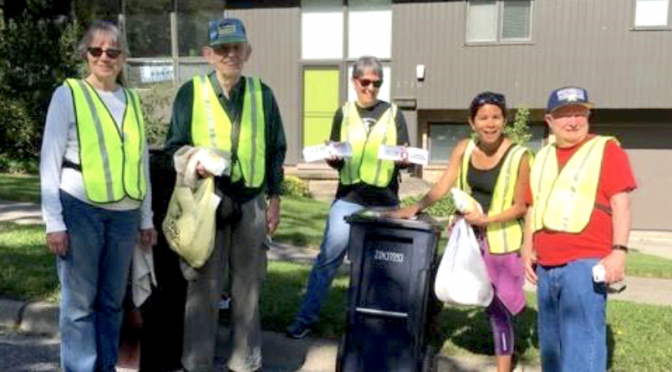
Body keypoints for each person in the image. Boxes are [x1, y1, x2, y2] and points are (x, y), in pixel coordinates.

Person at [163, 17, 286, 372]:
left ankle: (244, 361)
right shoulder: (191, 92)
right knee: (202, 287)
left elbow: (277, 149)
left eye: (236, 48)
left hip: (251, 204)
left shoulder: (263, 94)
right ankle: (196, 363)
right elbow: (175, 147)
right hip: (206, 202)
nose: (230, 55)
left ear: (248, 51)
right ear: (209, 54)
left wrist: (275, 199)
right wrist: (194, 164)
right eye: (222, 49)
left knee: (248, 290)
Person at [39, 20, 157, 372]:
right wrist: (54, 222)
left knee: (111, 303)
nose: (104, 56)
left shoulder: (133, 100)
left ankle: (106, 367)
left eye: (113, 51)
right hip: (80, 211)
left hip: (125, 215)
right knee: (78, 305)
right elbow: (50, 159)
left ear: (122, 58)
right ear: (85, 55)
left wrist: (146, 219)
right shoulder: (68, 94)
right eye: (96, 50)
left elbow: (142, 163)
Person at [391, 92, 531, 372]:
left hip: (501, 243)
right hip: (467, 238)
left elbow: (521, 206)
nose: (490, 124)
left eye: (496, 117)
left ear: (505, 120)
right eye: (483, 118)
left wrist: (486, 219)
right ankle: (425, 344)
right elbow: (444, 185)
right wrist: (415, 207)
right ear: (472, 122)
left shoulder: (520, 156)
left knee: (498, 308)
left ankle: (504, 366)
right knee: (437, 292)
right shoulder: (464, 148)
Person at [286, 56, 410, 339]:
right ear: (354, 82)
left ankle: (381, 325)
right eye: (365, 82)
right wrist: (332, 158)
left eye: (376, 83)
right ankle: (306, 319)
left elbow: (403, 158)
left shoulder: (394, 114)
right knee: (329, 258)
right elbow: (338, 158)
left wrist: (404, 158)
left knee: (386, 265)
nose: (370, 88)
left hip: (386, 200)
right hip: (349, 196)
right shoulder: (342, 113)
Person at [522, 87, 636, 372]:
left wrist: (619, 252)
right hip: (546, 266)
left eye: (579, 113)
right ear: (549, 121)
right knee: (553, 350)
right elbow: (532, 207)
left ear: (588, 115)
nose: (573, 121)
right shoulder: (543, 156)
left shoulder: (605, 149)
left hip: (585, 264)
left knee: (582, 347)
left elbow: (621, 202)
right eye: (564, 115)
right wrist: (527, 249)